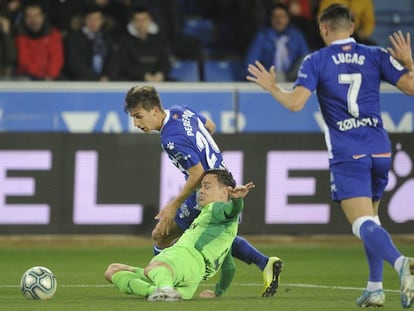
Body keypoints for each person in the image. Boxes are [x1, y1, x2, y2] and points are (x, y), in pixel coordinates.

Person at [246, 4, 414, 309]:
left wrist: (272, 88)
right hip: (380, 148)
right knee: (372, 219)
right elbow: (412, 87)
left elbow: (296, 104)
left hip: (348, 152)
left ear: (324, 29)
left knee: (360, 222)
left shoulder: (316, 60)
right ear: (351, 27)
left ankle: (401, 263)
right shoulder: (374, 55)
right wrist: (409, 62)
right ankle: (375, 288)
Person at [121, 85, 283, 298]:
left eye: (139, 116)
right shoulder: (182, 111)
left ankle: (162, 281)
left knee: (161, 235)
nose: (136, 123)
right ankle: (265, 263)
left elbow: (197, 173)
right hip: (222, 182)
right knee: (215, 235)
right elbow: (211, 126)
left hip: (206, 190)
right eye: (133, 118)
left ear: (154, 110)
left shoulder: (170, 138)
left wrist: (174, 203)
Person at [105, 169, 254, 301]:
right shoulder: (218, 230)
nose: (201, 191)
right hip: (189, 275)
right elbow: (229, 268)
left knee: (153, 268)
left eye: (207, 186)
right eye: (201, 186)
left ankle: (166, 289)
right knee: (113, 270)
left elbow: (233, 209)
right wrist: (218, 292)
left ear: (225, 192)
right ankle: (159, 291)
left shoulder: (218, 208)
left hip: (187, 259)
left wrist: (237, 199)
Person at [244, 3, 309, 82]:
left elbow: (306, 58)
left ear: (288, 18)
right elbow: (250, 63)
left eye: (282, 16)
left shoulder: (296, 35)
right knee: (278, 76)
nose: (279, 20)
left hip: (293, 79)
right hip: (269, 78)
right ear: (270, 19)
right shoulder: (262, 36)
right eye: (275, 17)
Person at [65, 5, 119, 81]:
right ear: (84, 20)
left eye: (97, 19)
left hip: (106, 81)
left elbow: (114, 61)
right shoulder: (74, 38)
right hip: (82, 80)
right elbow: (75, 62)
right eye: (90, 19)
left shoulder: (108, 38)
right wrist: (96, 78)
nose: (94, 22)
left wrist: (107, 76)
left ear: (102, 20)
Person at [118, 5, 171, 82]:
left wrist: (161, 74)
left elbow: (166, 61)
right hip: (133, 82)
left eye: (144, 19)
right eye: (137, 20)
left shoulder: (160, 39)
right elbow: (125, 65)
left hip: (159, 80)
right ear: (133, 22)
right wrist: (143, 76)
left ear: (150, 20)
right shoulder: (124, 41)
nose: (141, 23)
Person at [14, 0, 64, 80]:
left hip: (51, 77)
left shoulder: (53, 34)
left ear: (43, 16)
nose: (33, 20)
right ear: (24, 18)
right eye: (29, 16)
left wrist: (50, 76)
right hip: (27, 77)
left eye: (37, 15)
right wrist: (42, 78)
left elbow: (57, 59)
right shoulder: (20, 35)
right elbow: (24, 61)